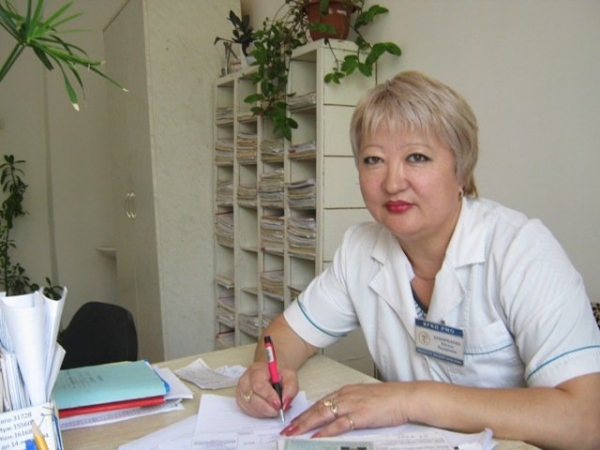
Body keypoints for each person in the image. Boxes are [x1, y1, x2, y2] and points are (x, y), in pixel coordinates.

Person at [235, 71, 600, 449]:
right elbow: (287, 334)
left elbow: (588, 419)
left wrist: (409, 399)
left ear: (462, 170)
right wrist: (266, 372)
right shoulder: (360, 249)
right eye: (373, 159)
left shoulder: (521, 249)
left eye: (417, 157)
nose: (392, 183)